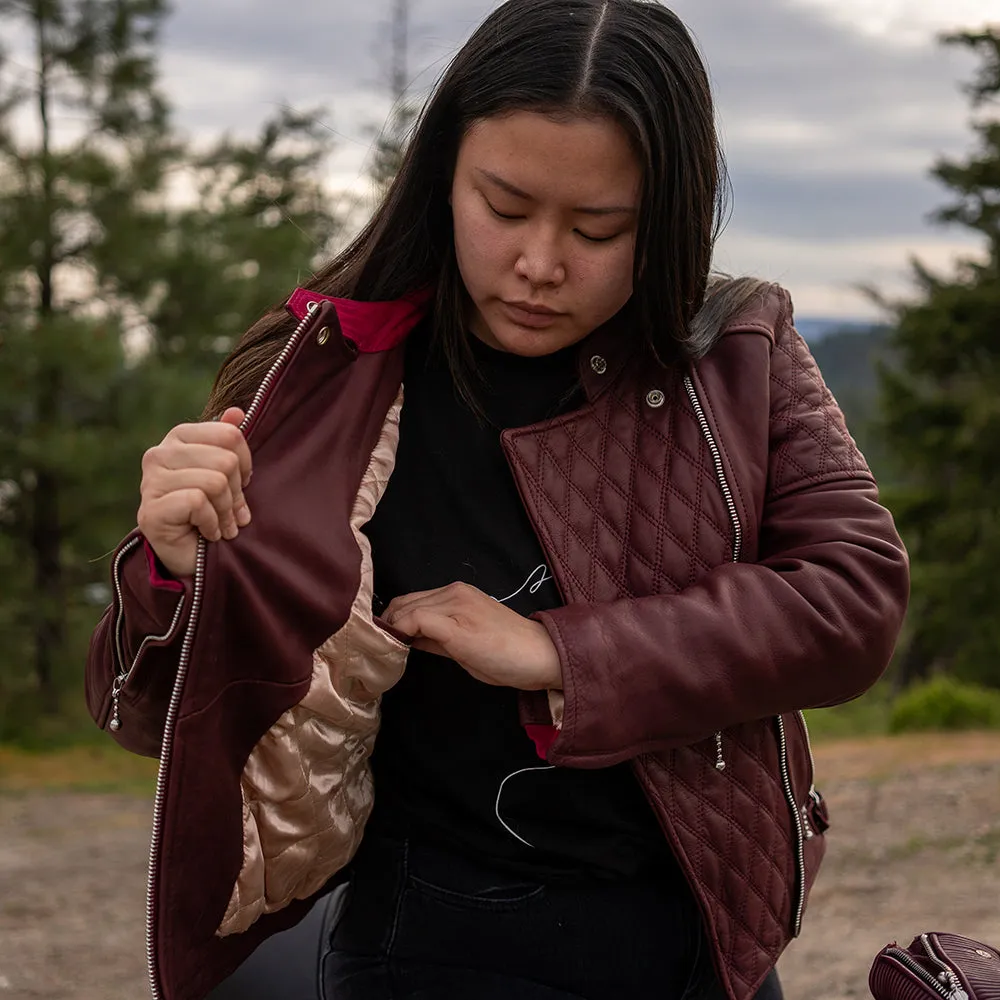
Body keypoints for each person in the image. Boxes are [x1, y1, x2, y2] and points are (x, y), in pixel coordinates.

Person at [85, 1, 910, 998]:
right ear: (441, 176)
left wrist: (563, 651)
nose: (539, 264)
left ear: (671, 216)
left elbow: (855, 598)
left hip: (704, 932)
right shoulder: (325, 376)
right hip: (433, 933)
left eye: (599, 227)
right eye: (505, 207)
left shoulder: (737, 349)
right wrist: (171, 570)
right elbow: (150, 715)